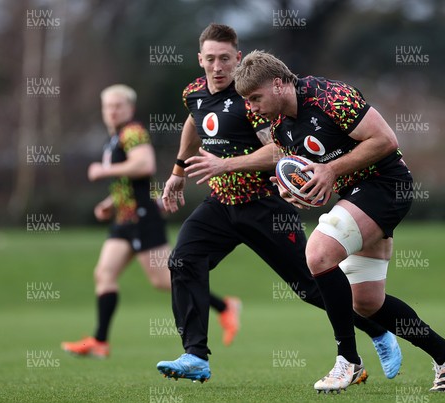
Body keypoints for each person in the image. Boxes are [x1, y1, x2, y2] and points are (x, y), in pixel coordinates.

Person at [155, 24, 402, 383]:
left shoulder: (253, 100)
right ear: (200, 59)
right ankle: (195, 355)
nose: (218, 66)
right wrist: (179, 168)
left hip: (265, 204)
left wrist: (226, 164)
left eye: (225, 58)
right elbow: (194, 122)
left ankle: (378, 330)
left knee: (311, 286)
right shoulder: (193, 92)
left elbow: (278, 150)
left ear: (237, 58)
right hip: (221, 203)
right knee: (183, 260)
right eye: (210, 59)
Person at [233, 51, 445, 393]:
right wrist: (294, 191)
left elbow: (386, 140)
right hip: (358, 195)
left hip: (388, 186)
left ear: (279, 83)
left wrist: (330, 170)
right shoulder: (280, 129)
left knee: (317, 254)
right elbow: (306, 177)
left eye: (255, 97)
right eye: (246, 101)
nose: (251, 107)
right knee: (367, 302)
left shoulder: (330, 97)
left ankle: (349, 361)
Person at [61, 84, 241, 358]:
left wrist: (103, 170)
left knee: (163, 280)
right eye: (107, 107)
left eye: (118, 106)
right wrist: (110, 203)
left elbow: (144, 165)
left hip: (143, 218)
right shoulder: (115, 137)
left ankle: (225, 306)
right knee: (104, 273)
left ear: (129, 108)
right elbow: (132, 181)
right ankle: (100, 341)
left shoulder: (133, 132)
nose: (112, 111)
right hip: (124, 219)